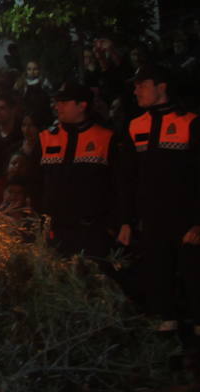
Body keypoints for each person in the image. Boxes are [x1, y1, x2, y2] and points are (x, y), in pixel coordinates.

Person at [117, 65, 200, 333]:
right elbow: (127, 177)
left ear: (161, 87)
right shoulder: (135, 125)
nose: (136, 90)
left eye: (142, 84)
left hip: (186, 221)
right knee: (158, 282)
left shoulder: (190, 122)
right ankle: (166, 348)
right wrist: (127, 221)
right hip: (151, 220)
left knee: (194, 278)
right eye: (135, 85)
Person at [37, 82, 131, 260]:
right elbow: (36, 181)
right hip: (54, 232)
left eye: (64, 102)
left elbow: (120, 184)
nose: (58, 107)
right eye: (57, 102)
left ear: (82, 106)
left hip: (92, 233)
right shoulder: (46, 138)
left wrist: (122, 222)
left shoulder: (105, 138)